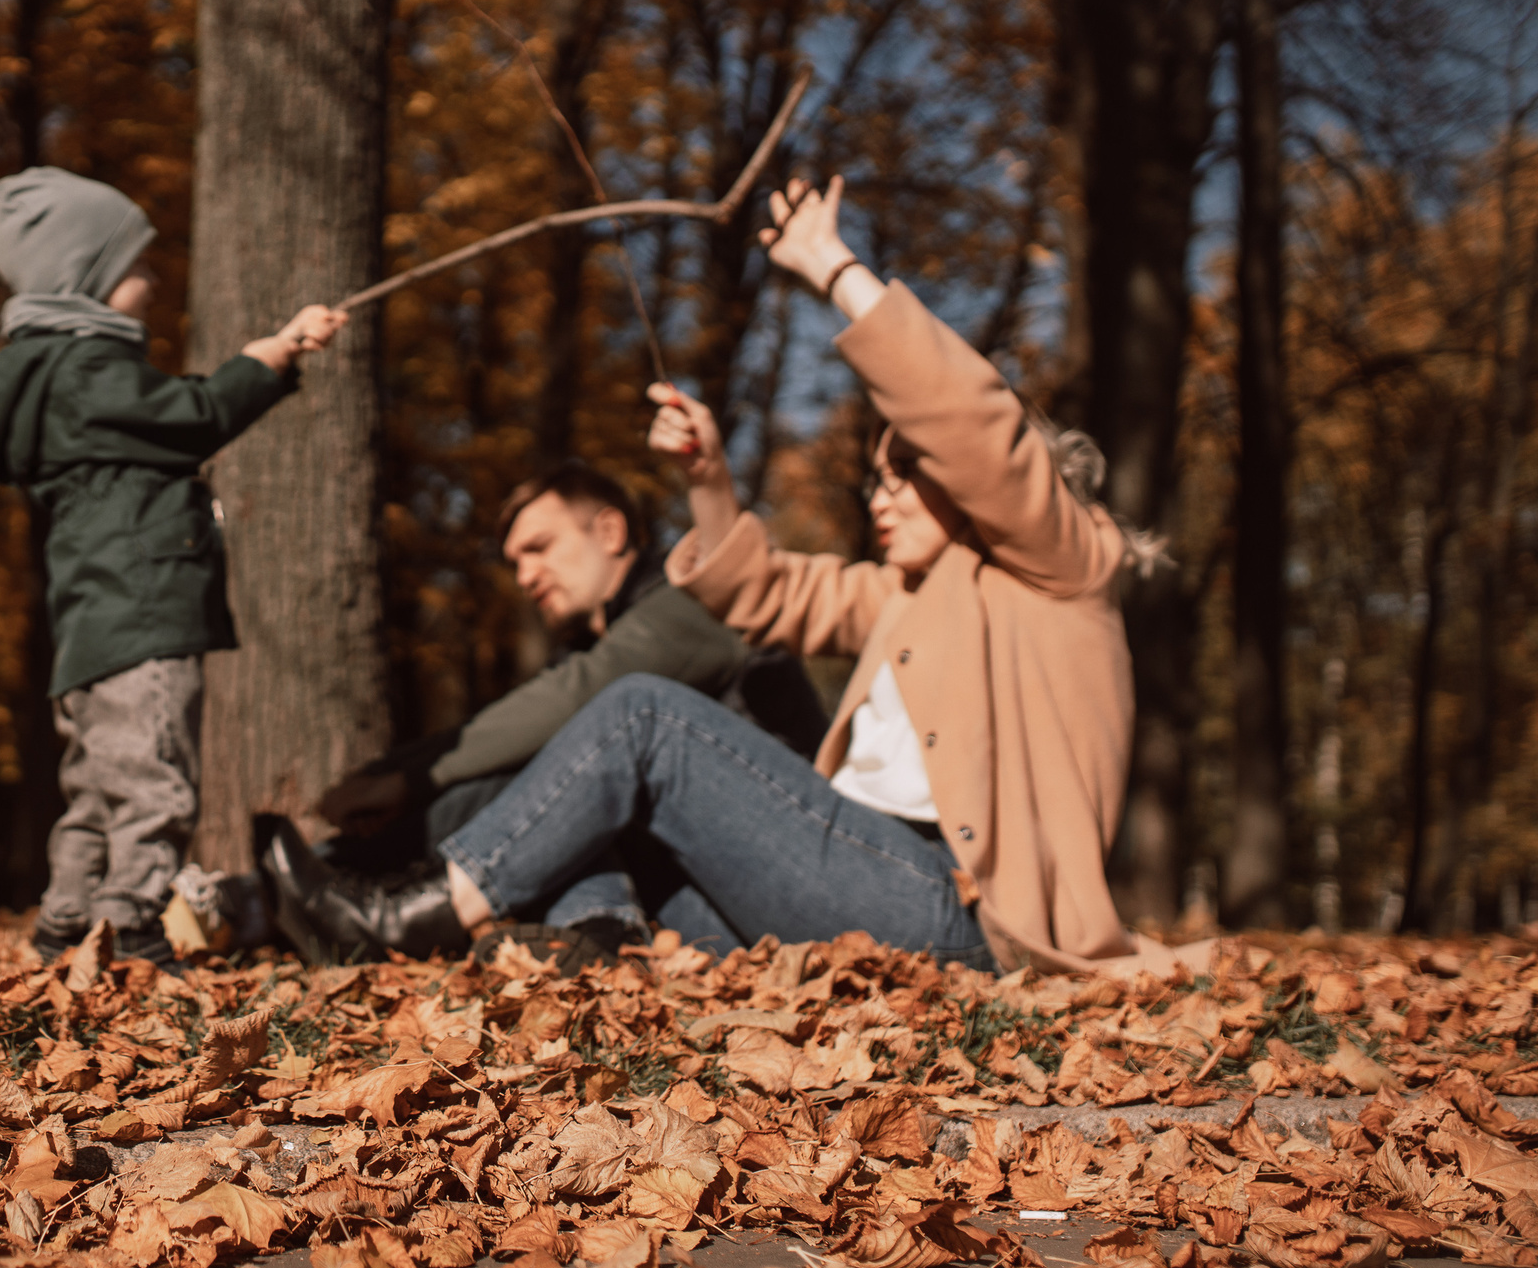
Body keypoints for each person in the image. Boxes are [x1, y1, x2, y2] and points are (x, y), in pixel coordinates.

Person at [263, 173, 1149, 972]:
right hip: (859, 885)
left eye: (904, 478)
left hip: (957, 911)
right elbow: (764, 593)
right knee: (609, 835)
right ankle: (605, 949)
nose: (880, 500)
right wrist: (711, 480)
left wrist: (835, 268)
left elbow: (967, 420)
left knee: (644, 712)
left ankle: (393, 923)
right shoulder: (906, 598)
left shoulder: (1060, 568)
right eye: (875, 481)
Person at [0, 166, 346, 965]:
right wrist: (267, 359)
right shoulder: (89, 371)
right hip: (142, 618)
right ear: (84, 279)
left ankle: (67, 924)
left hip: (90, 629)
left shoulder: (56, 380)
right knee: (155, 783)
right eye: (137, 264)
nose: (154, 279)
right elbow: (191, 417)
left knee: (96, 789)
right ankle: (131, 931)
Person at [262, 461, 825, 961]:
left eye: (539, 548)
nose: (525, 575)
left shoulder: (691, 607)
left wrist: (403, 778)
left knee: (557, 759)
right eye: (514, 561)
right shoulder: (601, 642)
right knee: (533, 774)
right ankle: (596, 937)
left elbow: (569, 696)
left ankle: (356, 901)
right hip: (692, 897)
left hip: (770, 900)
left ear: (610, 531)